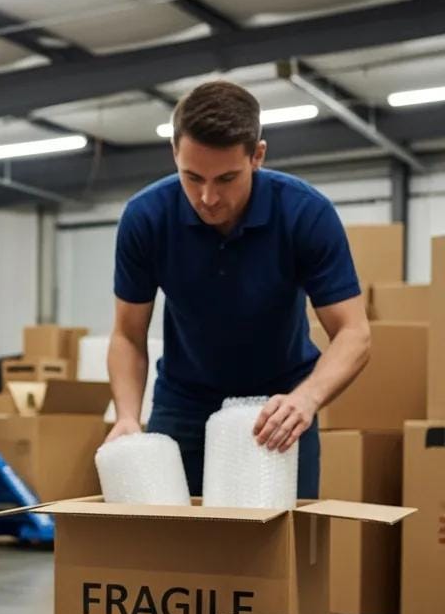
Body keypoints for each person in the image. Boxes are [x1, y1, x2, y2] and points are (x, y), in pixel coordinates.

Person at [105, 79, 371, 497]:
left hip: (281, 402)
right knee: (171, 546)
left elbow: (354, 333)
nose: (207, 197)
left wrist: (307, 399)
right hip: (184, 401)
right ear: (174, 152)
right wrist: (126, 415)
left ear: (257, 156)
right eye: (192, 177)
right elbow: (127, 335)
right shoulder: (147, 218)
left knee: (282, 548)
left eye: (226, 178)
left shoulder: (305, 214)